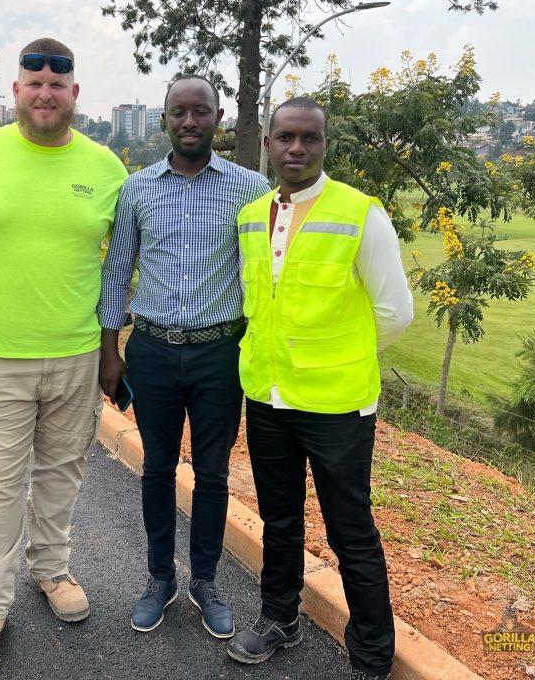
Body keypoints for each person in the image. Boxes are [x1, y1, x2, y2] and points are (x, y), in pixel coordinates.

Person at [0, 38, 128, 675]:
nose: (45, 93)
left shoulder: (106, 169)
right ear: (15, 91)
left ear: (75, 95)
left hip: (75, 354)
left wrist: (111, 350)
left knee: (61, 473)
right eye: (33, 82)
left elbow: (116, 264)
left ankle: (51, 570)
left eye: (58, 84)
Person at [226, 97, 413, 680]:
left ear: (325, 145)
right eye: (285, 137)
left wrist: (339, 358)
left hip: (336, 407)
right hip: (267, 398)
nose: (296, 149)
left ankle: (372, 655)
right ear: (269, 143)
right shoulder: (252, 216)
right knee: (279, 519)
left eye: (309, 138)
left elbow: (395, 311)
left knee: (350, 531)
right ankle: (279, 618)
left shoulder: (360, 213)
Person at [99, 75, 270, 638]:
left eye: (201, 111)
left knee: (214, 474)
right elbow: (118, 270)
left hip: (220, 353)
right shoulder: (138, 189)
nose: (190, 121)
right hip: (152, 350)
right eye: (179, 112)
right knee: (155, 468)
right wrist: (111, 348)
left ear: (218, 116)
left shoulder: (251, 188)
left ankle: (206, 580)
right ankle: (158, 578)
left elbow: (268, 272)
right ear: (164, 119)